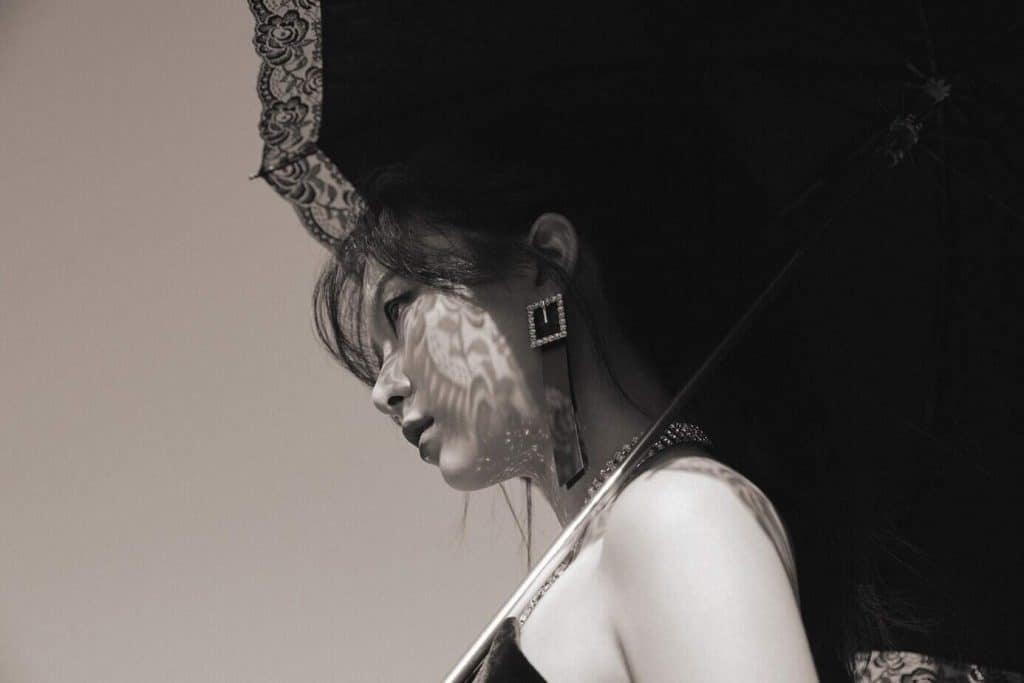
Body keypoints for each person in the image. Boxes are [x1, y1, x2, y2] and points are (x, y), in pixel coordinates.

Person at [250, 1, 1024, 680]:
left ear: (545, 263)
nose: (383, 386)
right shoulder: (609, 551)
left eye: (401, 308)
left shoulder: (679, 518)